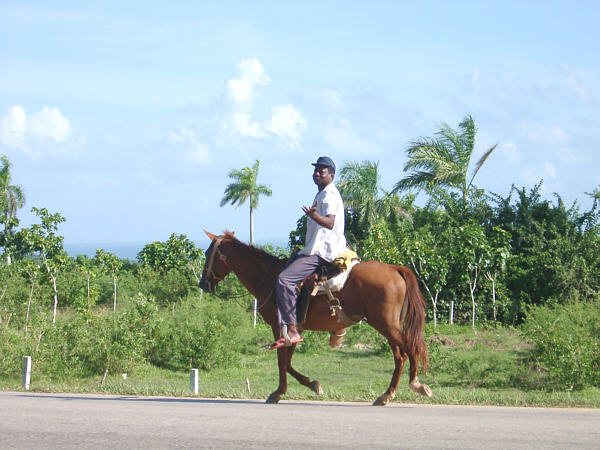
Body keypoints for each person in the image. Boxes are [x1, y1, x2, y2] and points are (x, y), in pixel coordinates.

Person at [270, 156, 347, 349]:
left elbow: (330, 222)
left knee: (284, 279)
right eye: (316, 170)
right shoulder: (323, 193)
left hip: (322, 252)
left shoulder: (328, 195)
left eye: (322, 171)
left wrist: (315, 216)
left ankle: (292, 329)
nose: (317, 173)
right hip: (317, 248)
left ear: (332, 174)